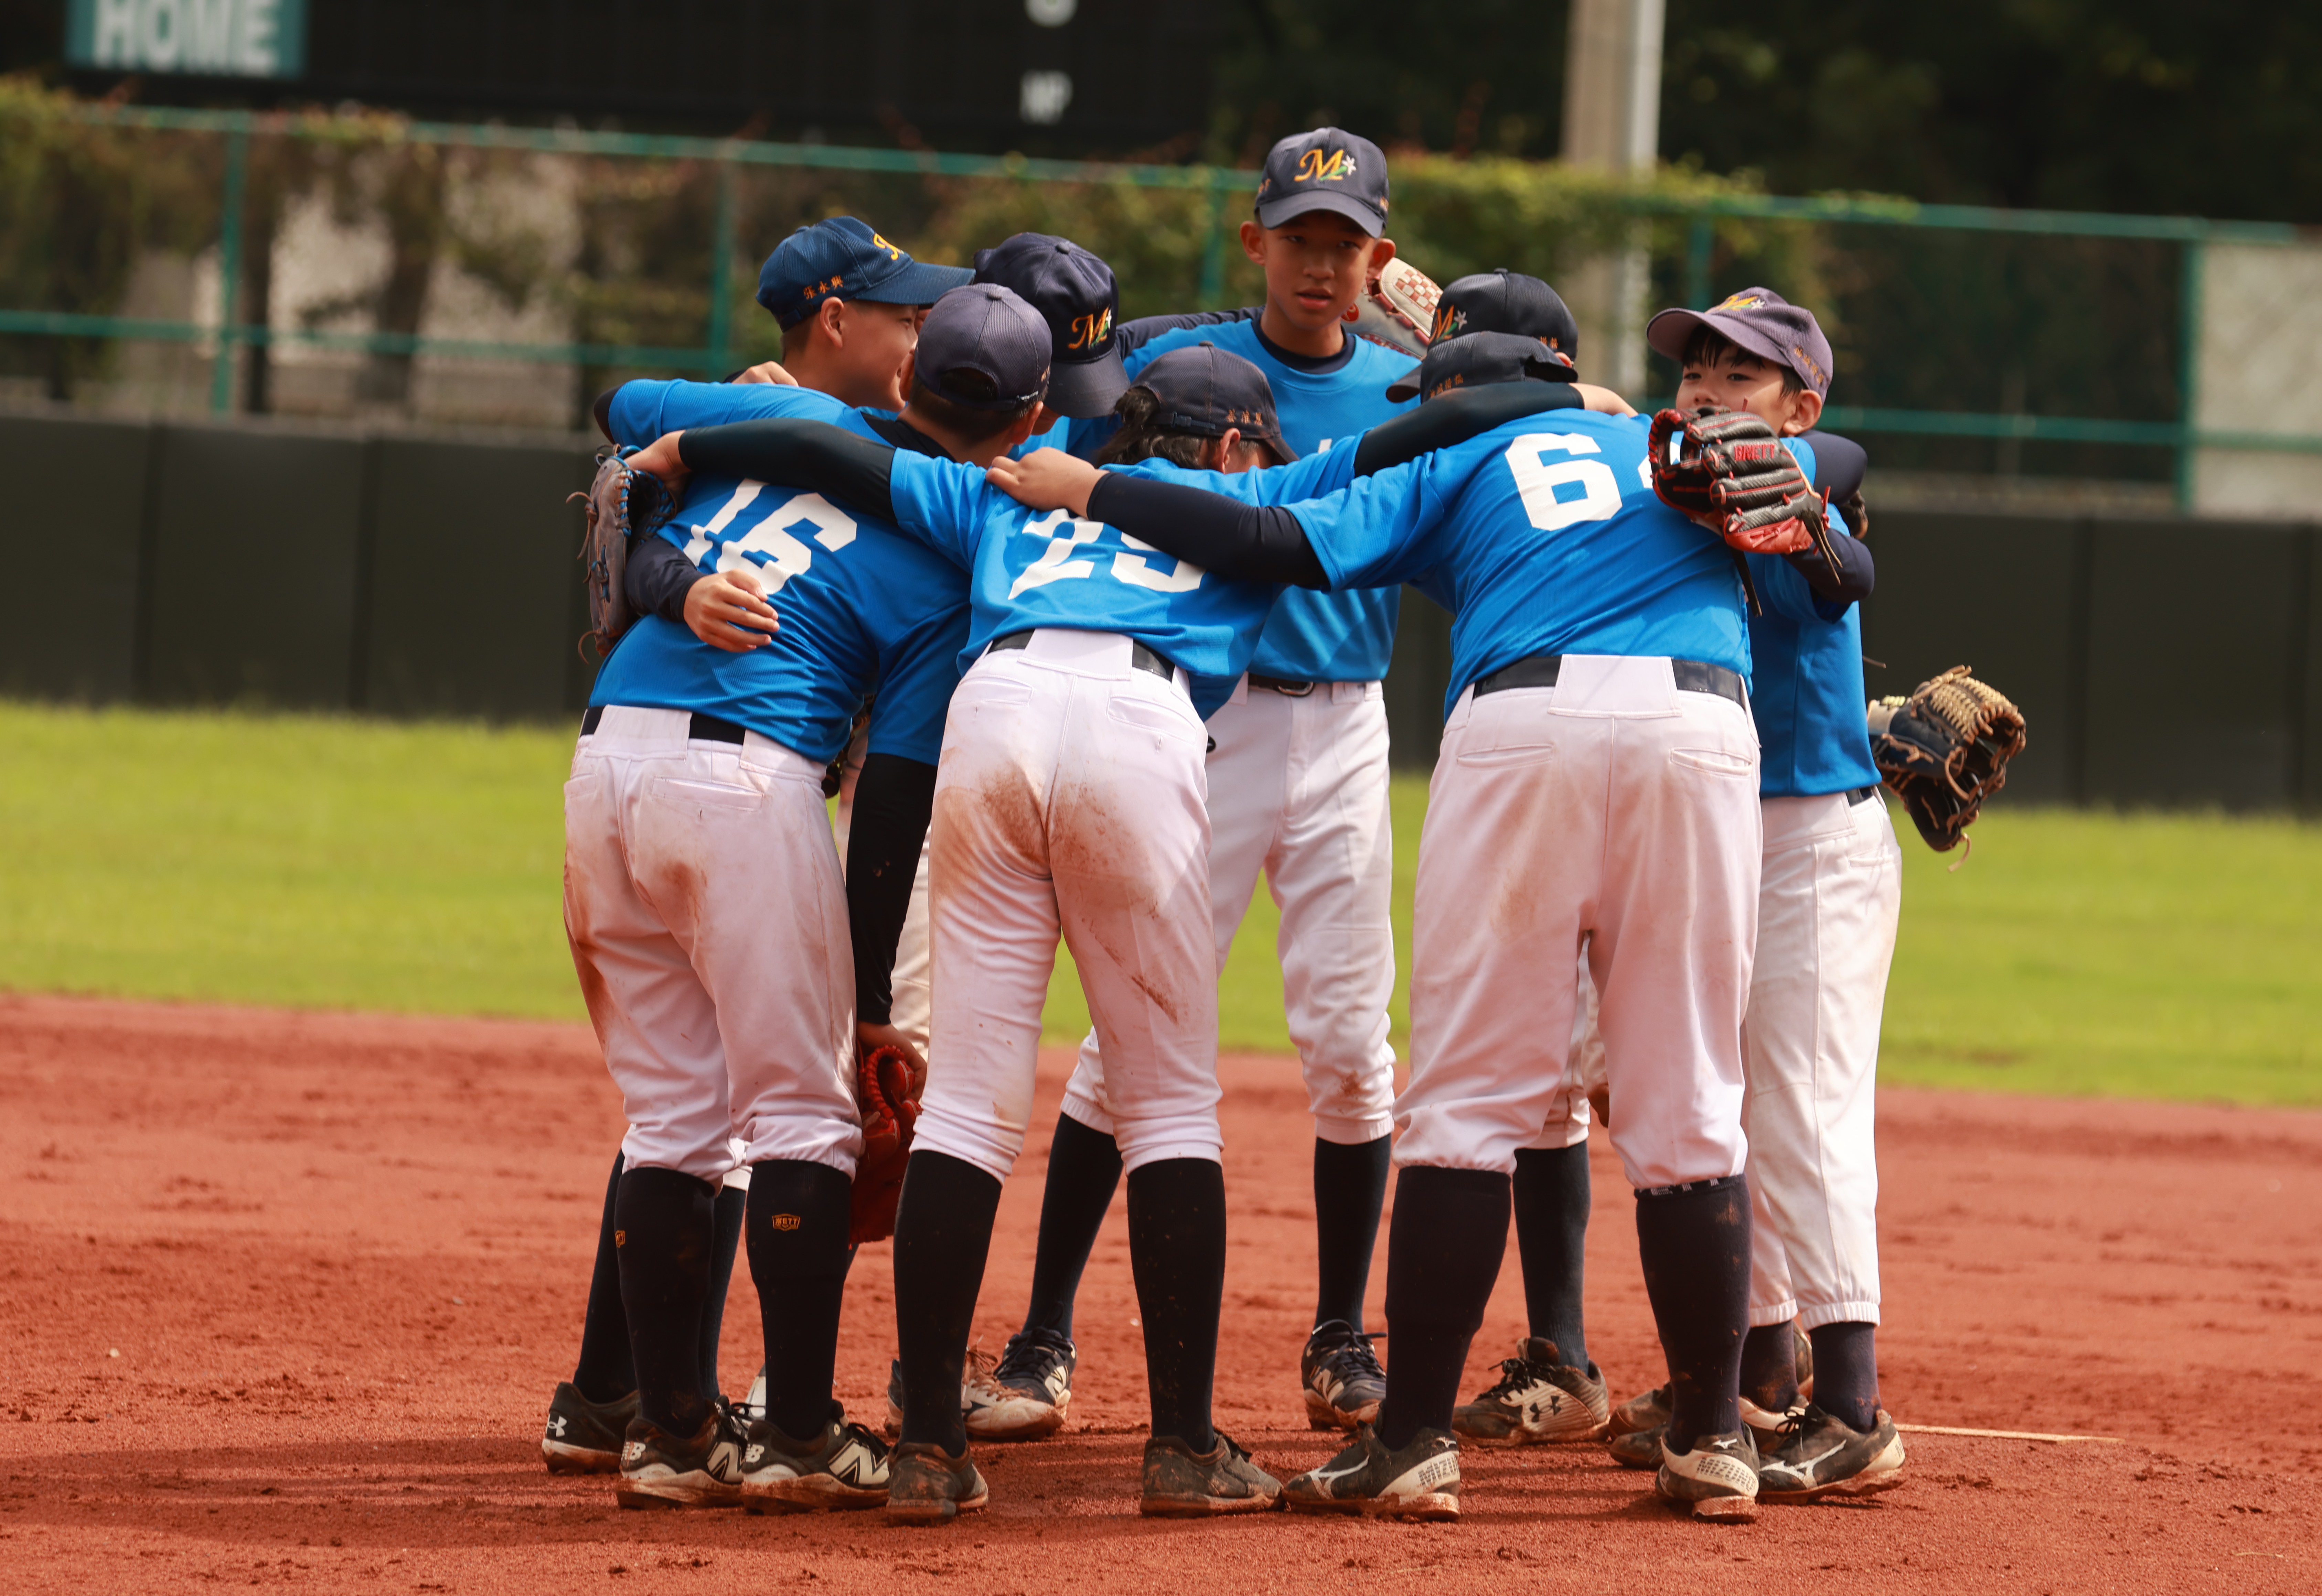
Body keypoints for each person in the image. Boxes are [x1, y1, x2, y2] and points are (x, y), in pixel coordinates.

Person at [628, 307, 1618, 1521]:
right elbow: (1441, 424)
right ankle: (1185, 1444)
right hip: (1135, 727)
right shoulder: (1264, 489)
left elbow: (838, 454)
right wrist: (1578, 403)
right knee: (1168, 1106)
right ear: (1239, 447)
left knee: (975, 1110)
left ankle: (930, 1447)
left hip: (992, 719)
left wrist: (689, 456)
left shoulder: (1009, 490)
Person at [989, 325, 1793, 1522]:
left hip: (1529, 726)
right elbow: (1817, 554)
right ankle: (1718, 1436)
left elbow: (1274, 536)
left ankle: (1412, 1440)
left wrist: (1099, 488)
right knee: (1689, 1100)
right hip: (1703, 729)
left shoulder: (1460, 459)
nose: (1414, 415)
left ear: (1470, 396)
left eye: (1432, 396)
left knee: (1467, 1099)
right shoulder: (1673, 446)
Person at [982, 125, 1425, 1442]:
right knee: (1134, 1036)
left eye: (1346, 244)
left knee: (1352, 1047)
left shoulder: (1410, 392)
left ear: (1377, 259)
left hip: (1346, 723)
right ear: (1258, 242)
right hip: (1198, 722)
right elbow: (1043, 351)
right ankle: (1043, 1337)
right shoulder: (1178, 366)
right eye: (1300, 237)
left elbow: (1536, 406)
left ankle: (1345, 1333)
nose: (1320, 264)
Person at [540, 215, 970, 1479]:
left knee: (675, 1114)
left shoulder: (749, 459)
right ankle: (796, 1434)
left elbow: (637, 464)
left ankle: (672, 1437)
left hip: (606, 762)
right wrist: (877, 1002)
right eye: (905, 315)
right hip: (741, 779)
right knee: (801, 1117)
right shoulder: (938, 537)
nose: (917, 334)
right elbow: (893, 797)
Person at [1601, 289, 1905, 1504]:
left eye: (1746, 374)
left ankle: (1855, 1404)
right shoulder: (1657, 479)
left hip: (1811, 841)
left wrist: (1810, 513)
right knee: (1692, 1099)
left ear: (1802, 404)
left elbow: (1836, 565)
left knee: (1806, 1114)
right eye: (1698, 369)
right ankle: (1754, 1370)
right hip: (1704, 826)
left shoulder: (1800, 495)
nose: (1711, 390)